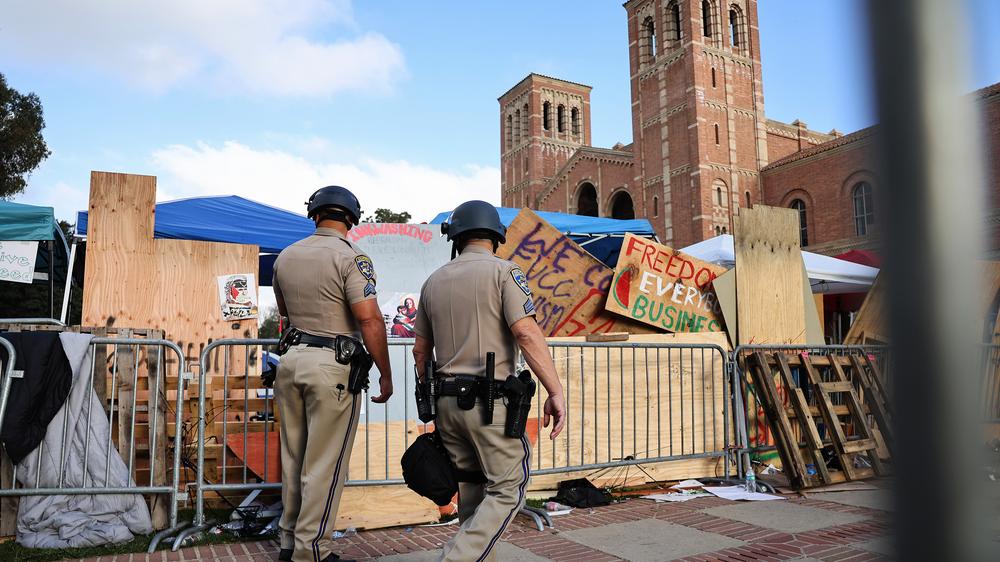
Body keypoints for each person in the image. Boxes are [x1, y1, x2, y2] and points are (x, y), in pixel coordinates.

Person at [412, 200, 566, 562]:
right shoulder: (504, 272)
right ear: (496, 236)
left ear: (457, 237)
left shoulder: (433, 281)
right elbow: (526, 333)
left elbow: (421, 351)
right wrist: (555, 390)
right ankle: (455, 558)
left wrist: (428, 396)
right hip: (489, 403)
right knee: (509, 488)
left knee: (473, 494)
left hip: (447, 404)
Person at [272, 185, 393, 562]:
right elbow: (369, 318)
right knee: (324, 464)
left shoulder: (286, 256)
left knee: (294, 459)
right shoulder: (352, 257)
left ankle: (288, 543)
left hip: (291, 361)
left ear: (315, 214)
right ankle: (312, 551)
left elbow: (285, 313)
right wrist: (386, 373)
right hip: (332, 366)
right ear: (351, 218)